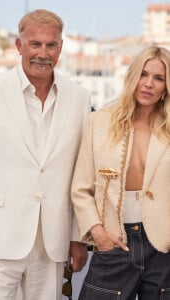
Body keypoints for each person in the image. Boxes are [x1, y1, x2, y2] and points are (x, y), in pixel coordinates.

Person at [0, 9, 90, 300]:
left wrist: (77, 237)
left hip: (53, 242)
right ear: (19, 46)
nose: (43, 53)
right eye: (35, 44)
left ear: (61, 48)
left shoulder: (79, 97)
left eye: (51, 45)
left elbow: (83, 172)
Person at [71, 46, 170, 299]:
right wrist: (98, 233)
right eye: (143, 74)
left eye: (158, 78)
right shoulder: (99, 122)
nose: (148, 84)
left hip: (164, 247)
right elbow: (81, 189)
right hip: (114, 241)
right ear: (132, 76)